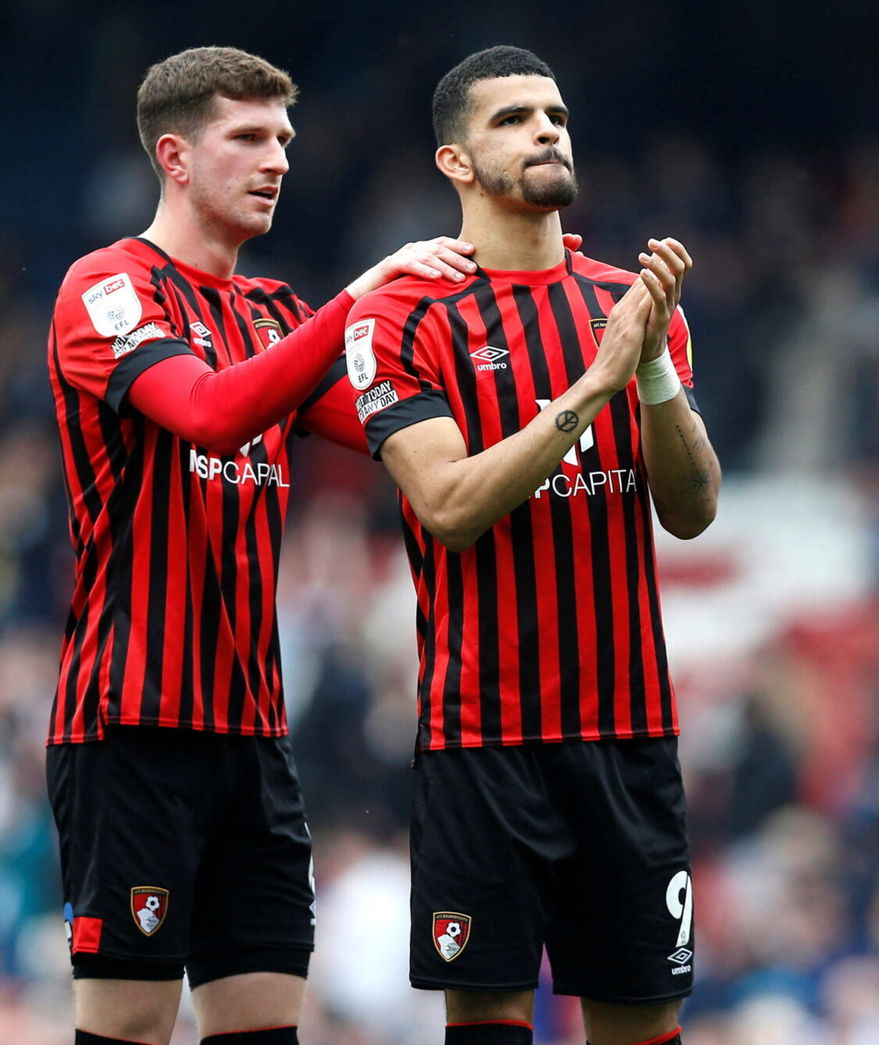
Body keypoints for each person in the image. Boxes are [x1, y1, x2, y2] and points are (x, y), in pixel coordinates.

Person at [45, 46, 477, 1045]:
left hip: (253, 741)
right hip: (130, 730)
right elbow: (206, 413)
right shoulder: (105, 288)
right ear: (176, 156)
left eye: (283, 137)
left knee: (266, 1031)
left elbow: (400, 428)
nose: (277, 157)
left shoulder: (275, 313)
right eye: (247, 136)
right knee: (129, 1029)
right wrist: (363, 296)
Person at [344, 46, 719, 1045]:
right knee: (491, 1021)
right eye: (511, 119)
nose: (545, 129)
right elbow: (449, 506)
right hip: (482, 740)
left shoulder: (628, 302)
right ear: (455, 163)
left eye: (553, 112)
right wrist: (595, 386)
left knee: (644, 1022)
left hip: (630, 735)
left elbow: (692, 511)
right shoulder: (401, 313)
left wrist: (650, 374)